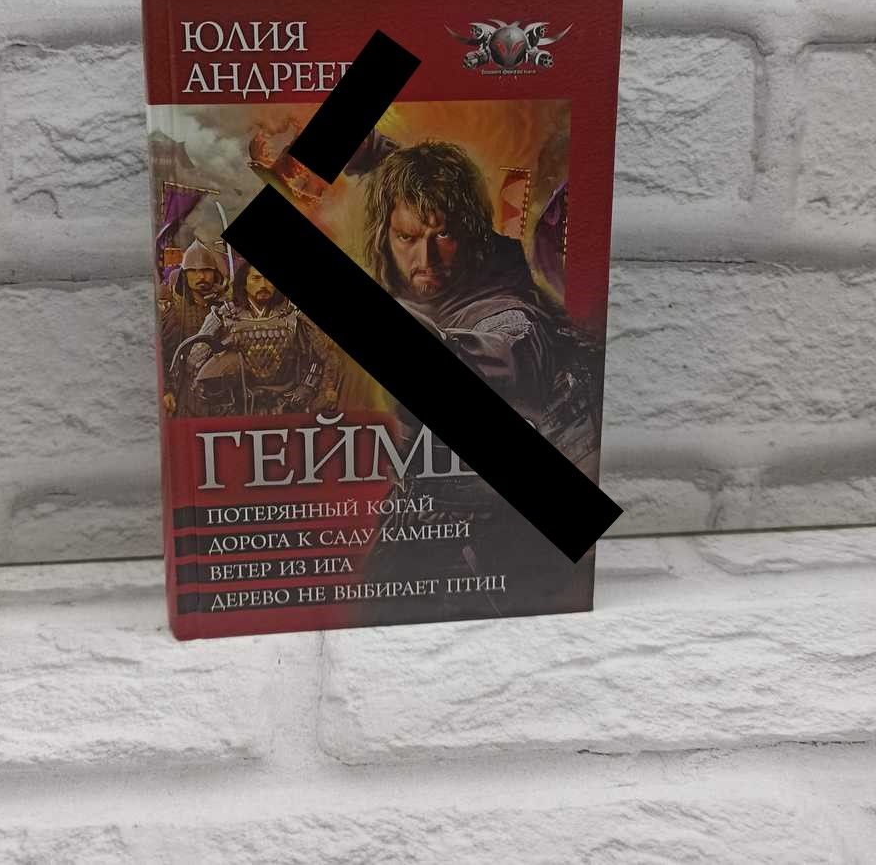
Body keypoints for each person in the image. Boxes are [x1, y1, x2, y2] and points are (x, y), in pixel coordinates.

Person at [353, 138, 602, 617]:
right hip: (415, 526)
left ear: (470, 235)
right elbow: (417, 186)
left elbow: (476, 363)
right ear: (385, 236)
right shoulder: (435, 274)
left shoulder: (510, 317)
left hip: (486, 554)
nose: (425, 258)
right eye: (406, 237)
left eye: (443, 237)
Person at [171, 260, 342, 417]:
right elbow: (195, 361)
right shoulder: (223, 315)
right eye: (256, 278)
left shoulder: (294, 314)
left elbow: (325, 357)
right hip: (239, 406)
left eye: (268, 280)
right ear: (244, 283)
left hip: (288, 402)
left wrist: (309, 387)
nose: (264, 285)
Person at [159, 240, 226, 414]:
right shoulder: (175, 310)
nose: (200, 276)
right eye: (193, 271)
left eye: (206, 270)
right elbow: (163, 354)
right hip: (185, 387)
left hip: (222, 389)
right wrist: (166, 390)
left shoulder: (226, 306)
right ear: (185, 275)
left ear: (215, 273)